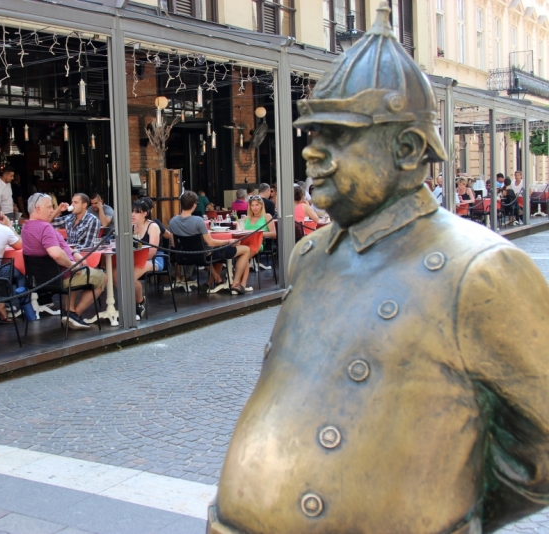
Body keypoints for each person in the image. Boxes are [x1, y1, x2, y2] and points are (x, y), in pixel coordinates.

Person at [212, 6, 549, 534]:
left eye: (339, 136)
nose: (311, 151)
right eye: (312, 133)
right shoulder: (311, 255)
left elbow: (541, 455)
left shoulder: (480, 270)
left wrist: (432, 506)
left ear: (408, 149)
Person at [22, 193, 105, 329]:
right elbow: (56, 254)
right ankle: (74, 315)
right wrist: (71, 265)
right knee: (103, 278)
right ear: (38, 209)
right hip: (60, 277)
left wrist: (74, 253)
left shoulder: (26, 227)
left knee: (78, 274)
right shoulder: (45, 227)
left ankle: (70, 312)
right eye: (49, 207)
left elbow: (61, 245)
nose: (51, 210)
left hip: (39, 279)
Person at [170, 190, 251, 295]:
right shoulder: (198, 221)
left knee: (219, 251)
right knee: (246, 249)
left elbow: (174, 244)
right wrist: (228, 241)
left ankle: (216, 280)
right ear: (194, 205)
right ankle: (235, 284)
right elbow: (211, 242)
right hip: (204, 255)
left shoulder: (173, 221)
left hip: (184, 256)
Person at [130, 199, 163, 319]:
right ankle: (139, 300)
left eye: (137, 212)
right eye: (132, 211)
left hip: (155, 259)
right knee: (115, 274)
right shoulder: (131, 226)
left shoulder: (152, 226)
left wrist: (135, 260)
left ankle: (137, 304)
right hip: (136, 259)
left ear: (145, 213)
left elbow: (152, 252)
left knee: (129, 276)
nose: (133, 214)